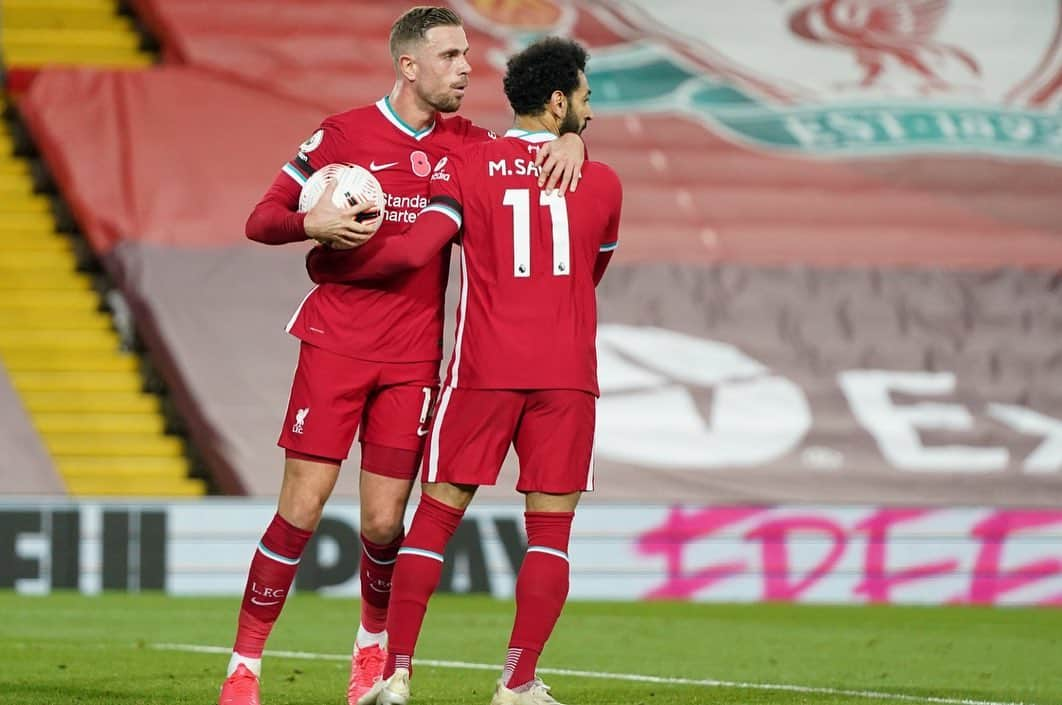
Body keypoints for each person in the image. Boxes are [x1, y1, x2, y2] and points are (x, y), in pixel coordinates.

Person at [219, 8, 587, 705]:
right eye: (451, 55)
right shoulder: (342, 133)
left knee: (385, 522)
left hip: (415, 356)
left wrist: (573, 144)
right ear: (409, 65)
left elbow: (531, 153)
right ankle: (244, 665)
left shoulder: (467, 143)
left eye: (467, 54)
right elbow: (261, 218)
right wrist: (312, 223)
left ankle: (370, 650)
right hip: (335, 344)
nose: (467, 68)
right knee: (300, 506)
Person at [306, 36, 621, 705]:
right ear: (559, 101)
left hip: (482, 367)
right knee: (551, 532)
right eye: (586, 99)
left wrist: (328, 256)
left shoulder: (468, 167)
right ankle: (517, 681)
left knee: (437, 516)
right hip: (567, 374)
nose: (590, 115)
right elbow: (591, 272)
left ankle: (395, 673)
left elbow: (417, 249)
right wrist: (578, 152)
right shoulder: (604, 181)